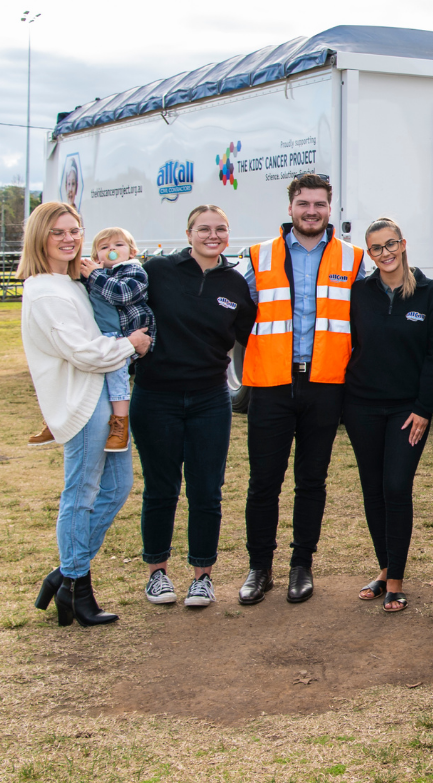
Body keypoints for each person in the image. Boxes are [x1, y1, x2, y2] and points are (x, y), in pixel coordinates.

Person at [237, 173, 367, 606]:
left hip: (326, 385)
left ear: (331, 209)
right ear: (290, 207)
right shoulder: (257, 256)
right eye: (303, 203)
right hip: (272, 385)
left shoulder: (354, 259)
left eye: (319, 204)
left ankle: (301, 565)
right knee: (263, 483)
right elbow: (228, 307)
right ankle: (260, 568)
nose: (311, 211)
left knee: (312, 481)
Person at [20, 202, 151, 627]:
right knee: (81, 493)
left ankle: (64, 574)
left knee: (116, 487)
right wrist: (131, 344)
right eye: (58, 232)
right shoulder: (43, 290)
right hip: (83, 399)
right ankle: (77, 588)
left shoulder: (72, 280)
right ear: (40, 237)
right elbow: (82, 350)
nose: (69, 238)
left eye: (74, 230)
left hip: (103, 393)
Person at [132, 205, 256, 609]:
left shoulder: (236, 284)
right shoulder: (156, 271)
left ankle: (202, 576)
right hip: (156, 395)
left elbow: (249, 336)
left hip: (209, 399)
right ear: (188, 234)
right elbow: (119, 303)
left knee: (207, 490)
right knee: (161, 488)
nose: (212, 235)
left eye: (221, 229)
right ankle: (157, 574)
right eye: (204, 229)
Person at [344, 217, 433, 613]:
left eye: (391, 245)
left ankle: (398, 581)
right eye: (376, 248)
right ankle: (384, 569)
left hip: (408, 410)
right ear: (368, 254)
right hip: (361, 406)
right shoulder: (359, 293)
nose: (385, 253)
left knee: (395, 486)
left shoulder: (429, 294)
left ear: (403, 244)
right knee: (372, 488)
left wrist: (424, 408)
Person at [41, 226, 153, 454]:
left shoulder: (133, 271)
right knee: (77, 378)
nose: (112, 249)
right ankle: (56, 421)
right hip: (98, 335)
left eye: (118, 245)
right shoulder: (98, 274)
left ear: (132, 251)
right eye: (104, 247)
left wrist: (94, 274)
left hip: (124, 334)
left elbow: (122, 294)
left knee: (117, 379)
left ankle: (120, 426)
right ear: (96, 257)